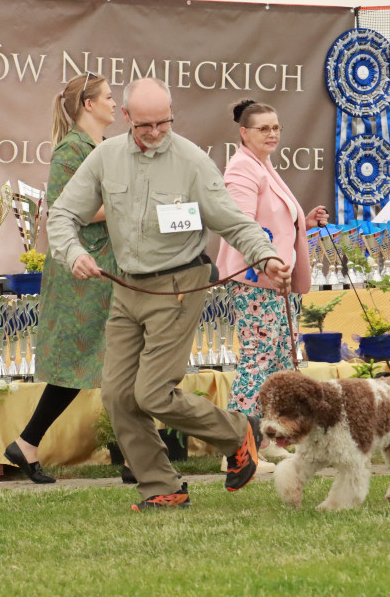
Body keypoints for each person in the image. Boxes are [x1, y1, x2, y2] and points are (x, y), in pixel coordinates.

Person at [47, 77, 292, 511]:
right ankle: (162, 485)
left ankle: (240, 433)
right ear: (126, 118)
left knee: (153, 392)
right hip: (128, 287)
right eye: (145, 125)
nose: (156, 132)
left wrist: (266, 255)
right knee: (118, 394)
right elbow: (63, 212)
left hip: (180, 284)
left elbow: (233, 221)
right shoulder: (105, 157)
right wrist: (72, 253)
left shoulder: (192, 160)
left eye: (164, 122)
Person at [3, 73, 119, 483]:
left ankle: (30, 444)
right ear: (88, 104)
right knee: (86, 362)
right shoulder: (72, 149)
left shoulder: (102, 148)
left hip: (104, 268)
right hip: (80, 273)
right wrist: (128, 205)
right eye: (108, 97)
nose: (114, 103)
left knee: (110, 362)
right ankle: (31, 442)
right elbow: (68, 208)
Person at [215, 100, 328, 468]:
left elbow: (274, 225)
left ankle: (266, 441)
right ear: (244, 133)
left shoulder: (263, 166)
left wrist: (304, 223)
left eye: (276, 127)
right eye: (263, 128)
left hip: (276, 283)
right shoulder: (242, 170)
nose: (272, 134)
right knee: (256, 366)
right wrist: (267, 260)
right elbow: (241, 226)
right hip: (255, 283)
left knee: (277, 365)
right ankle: (237, 452)